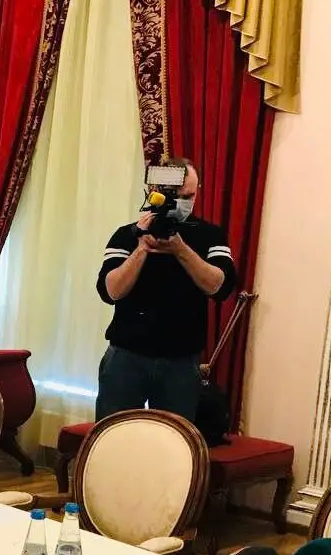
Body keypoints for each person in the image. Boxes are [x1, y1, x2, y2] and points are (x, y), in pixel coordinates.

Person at [95, 158, 236, 422]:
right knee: (113, 433)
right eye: (176, 196)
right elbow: (110, 291)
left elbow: (220, 287)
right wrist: (141, 249)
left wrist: (181, 250)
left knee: (174, 437)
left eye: (189, 196)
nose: (182, 203)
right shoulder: (127, 235)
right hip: (126, 356)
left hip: (181, 360)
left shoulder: (210, 235)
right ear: (154, 192)